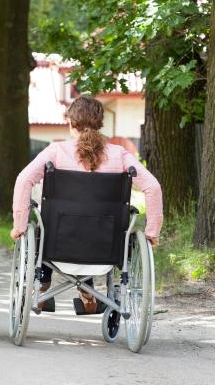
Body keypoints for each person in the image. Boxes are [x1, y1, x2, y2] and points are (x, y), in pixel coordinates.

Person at [11, 95, 163, 314]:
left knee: (49, 223)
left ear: (71, 123)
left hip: (57, 244)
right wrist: (152, 232)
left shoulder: (56, 152)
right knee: (93, 224)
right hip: (106, 247)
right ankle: (88, 294)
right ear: (100, 124)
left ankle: (43, 282)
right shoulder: (119, 155)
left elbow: (24, 180)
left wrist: (19, 225)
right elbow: (153, 187)